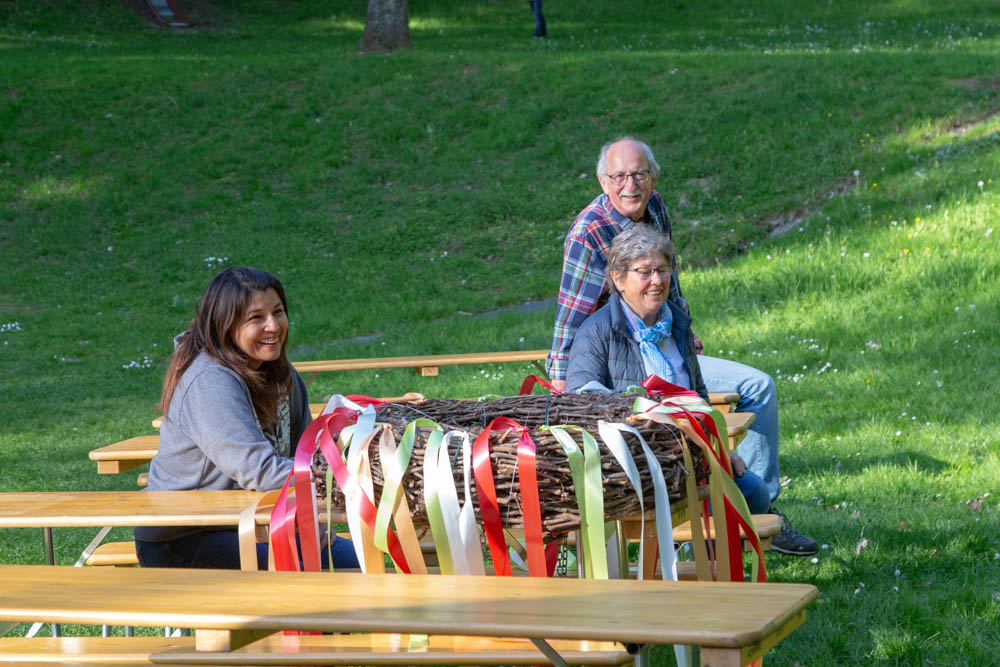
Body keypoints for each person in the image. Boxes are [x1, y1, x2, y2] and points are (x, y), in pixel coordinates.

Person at [548, 137, 817, 555]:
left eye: (639, 174)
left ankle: (761, 514)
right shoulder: (590, 232)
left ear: (653, 179)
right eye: (618, 176)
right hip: (618, 360)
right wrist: (565, 387)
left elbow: (671, 283)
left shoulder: (655, 208)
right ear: (604, 183)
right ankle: (723, 521)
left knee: (758, 387)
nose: (630, 185)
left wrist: (683, 331)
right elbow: (571, 316)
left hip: (664, 338)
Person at [134, 267, 360, 570]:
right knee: (325, 581)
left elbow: (307, 454)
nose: (273, 326)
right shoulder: (208, 380)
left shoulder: (281, 374)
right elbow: (261, 472)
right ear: (224, 325)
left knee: (369, 569)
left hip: (257, 523)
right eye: (256, 318)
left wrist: (310, 518)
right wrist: (350, 475)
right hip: (185, 536)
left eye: (278, 312)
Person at [567, 226, 771, 514]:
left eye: (662, 270)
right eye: (644, 272)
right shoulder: (596, 332)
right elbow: (580, 404)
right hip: (632, 464)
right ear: (618, 278)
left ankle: (715, 557)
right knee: (715, 504)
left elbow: (698, 396)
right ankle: (706, 558)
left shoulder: (676, 322)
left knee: (755, 493)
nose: (656, 281)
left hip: (690, 455)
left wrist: (723, 451)